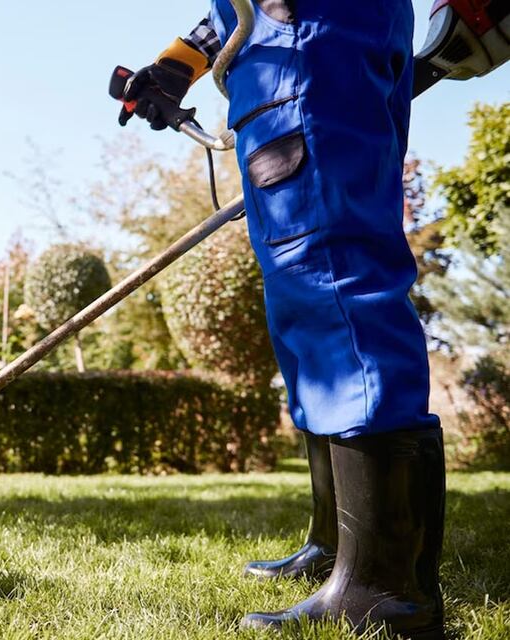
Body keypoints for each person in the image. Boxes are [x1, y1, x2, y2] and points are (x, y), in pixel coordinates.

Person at [119, 2, 446, 638]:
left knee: (332, 278)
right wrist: (177, 65)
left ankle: (385, 586)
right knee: (303, 305)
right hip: (284, 54)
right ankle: (338, 545)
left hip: (308, 45)